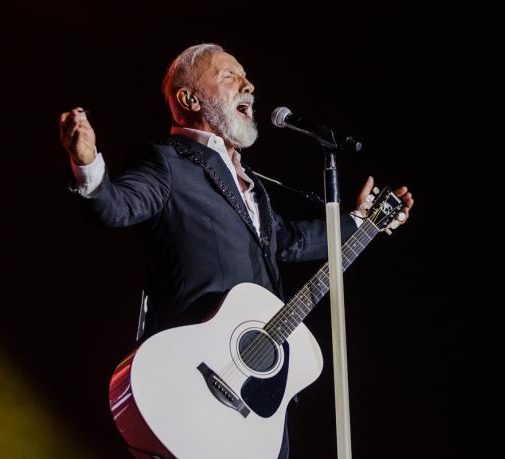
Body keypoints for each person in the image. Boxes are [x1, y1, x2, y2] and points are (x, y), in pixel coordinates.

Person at [59, 43, 413, 459]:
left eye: (245, 77)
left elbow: (290, 241)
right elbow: (117, 206)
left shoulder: (252, 185)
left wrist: (361, 222)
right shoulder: (167, 163)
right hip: (195, 381)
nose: (249, 86)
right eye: (230, 76)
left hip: (255, 400)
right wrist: (88, 167)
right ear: (189, 99)